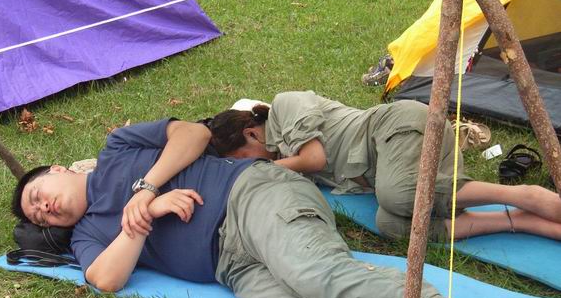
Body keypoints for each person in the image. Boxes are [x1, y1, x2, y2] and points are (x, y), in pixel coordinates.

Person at [11, 118, 523, 298]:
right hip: (231, 268)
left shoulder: (117, 149)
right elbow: (105, 278)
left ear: (58, 170)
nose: (44, 210)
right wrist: (148, 215)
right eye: (40, 219)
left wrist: (146, 186)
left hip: (251, 197)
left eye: (38, 196)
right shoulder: (87, 235)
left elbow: (194, 133)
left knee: (318, 279)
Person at [209, 91, 561, 242]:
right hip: (400, 165)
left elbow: (314, 159)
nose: (250, 166)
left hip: (399, 126)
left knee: (397, 197)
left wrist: (258, 169)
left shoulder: (285, 105)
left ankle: (522, 195)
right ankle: (519, 221)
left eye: (243, 159)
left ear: (250, 133)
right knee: (391, 224)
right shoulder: (282, 159)